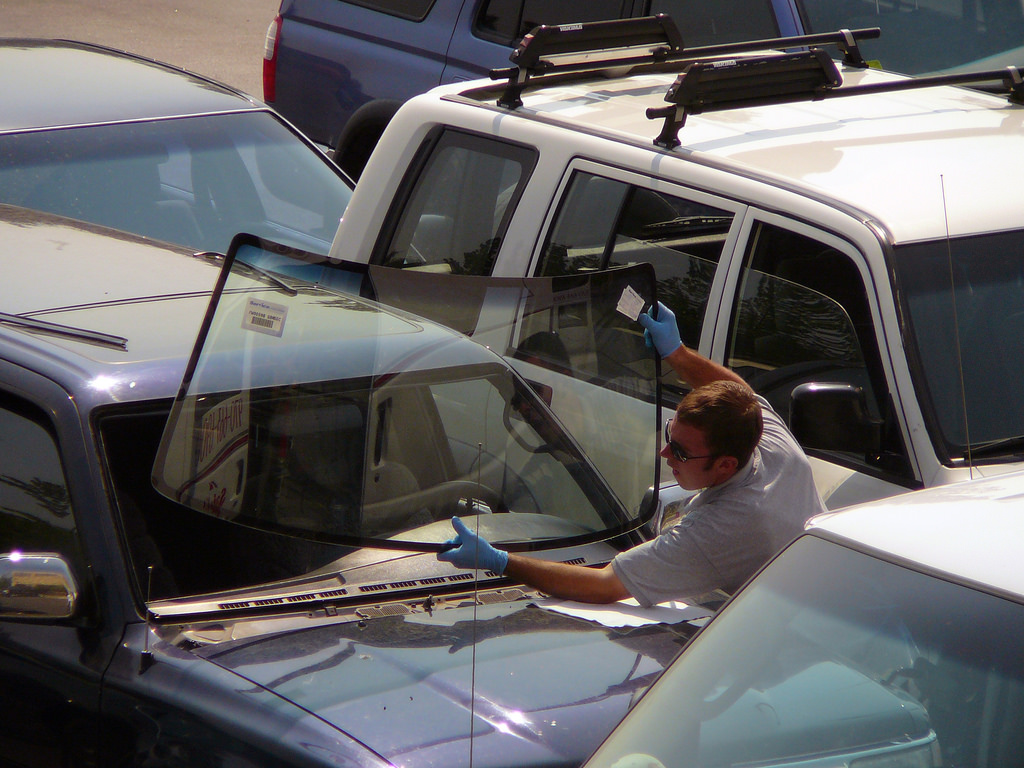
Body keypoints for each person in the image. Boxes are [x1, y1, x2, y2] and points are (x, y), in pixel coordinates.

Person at [438, 302, 827, 607]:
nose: (663, 452)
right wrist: (676, 352)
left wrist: (501, 562)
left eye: (679, 450)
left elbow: (605, 585)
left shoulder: (721, 529)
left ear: (725, 464)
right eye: (668, 435)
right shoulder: (770, 442)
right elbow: (738, 391)